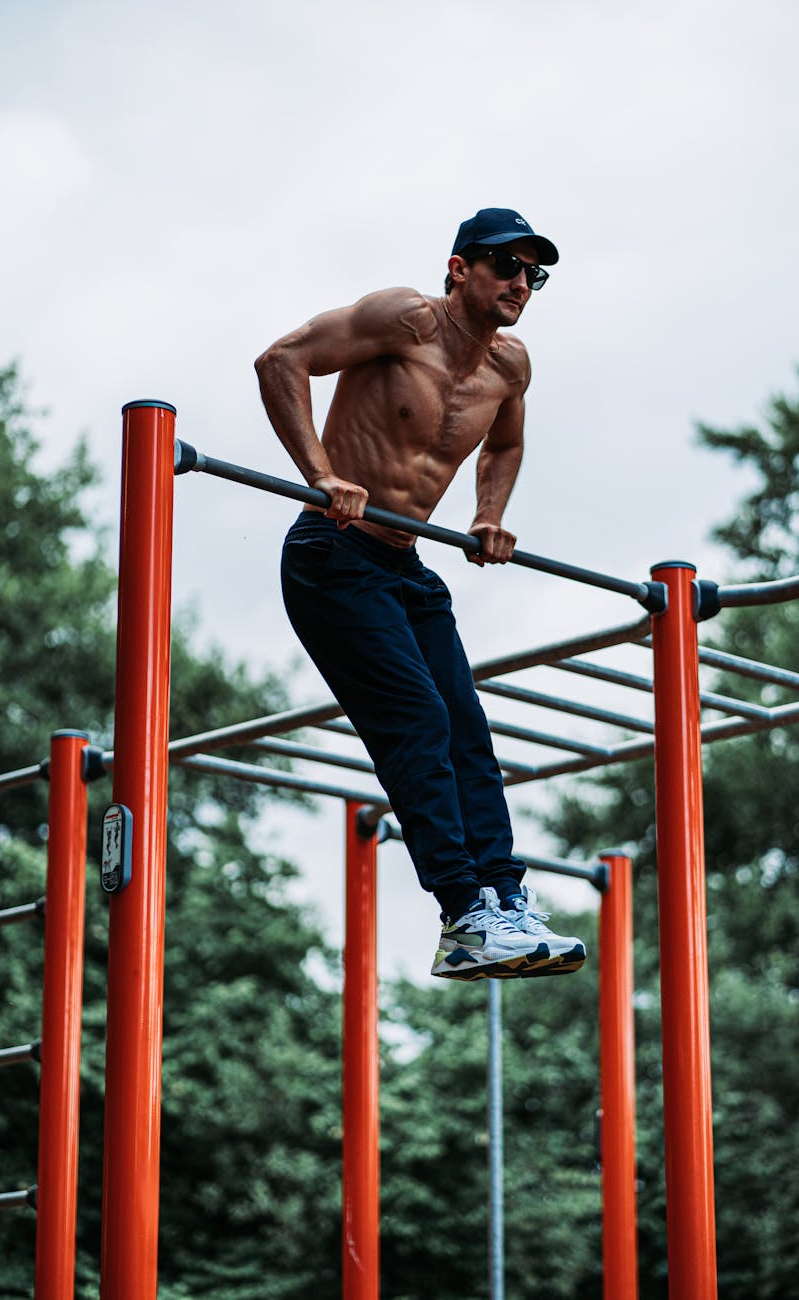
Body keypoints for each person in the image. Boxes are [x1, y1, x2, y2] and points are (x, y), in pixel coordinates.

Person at [255, 207, 585, 981]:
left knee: (467, 728)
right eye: (505, 264)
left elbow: (503, 443)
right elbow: (281, 360)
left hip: (404, 562)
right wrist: (319, 474)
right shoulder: (402, 318)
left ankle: (503, 899)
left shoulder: (510, 367)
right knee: (420, 719)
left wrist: (488, 515)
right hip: (331, 553)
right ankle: (462, 913)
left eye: (532, 273)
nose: (519, 282)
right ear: (458, 267)